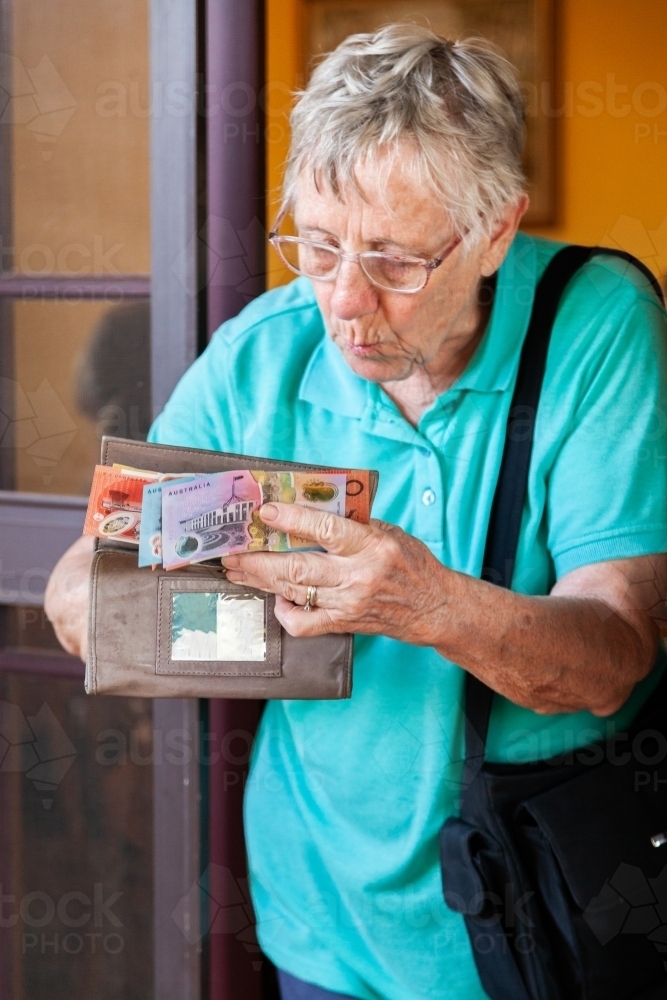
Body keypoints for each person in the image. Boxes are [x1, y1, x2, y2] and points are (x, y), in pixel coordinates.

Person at [45, 25, 667, 1000]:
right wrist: (203, 604)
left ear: (497, 229)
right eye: (317, 246)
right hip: (322, 928)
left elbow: (616, 653)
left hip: (546, 914)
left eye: (392, 262)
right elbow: (89, 583)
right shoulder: (263, 353)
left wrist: (426, 603)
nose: (344, 303)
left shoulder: (595, 322)